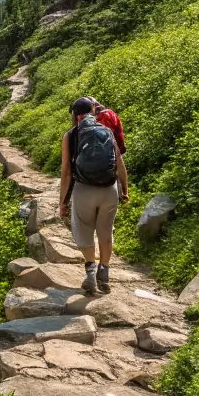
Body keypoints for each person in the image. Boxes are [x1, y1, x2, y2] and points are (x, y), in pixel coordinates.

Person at [59, 97, 129, 295]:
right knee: (106, 232)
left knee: (84, 231)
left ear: (74, 114)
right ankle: (104, 273)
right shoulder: (106, 131)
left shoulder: (71, 135)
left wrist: (63, 202)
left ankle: (90, 273)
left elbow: (66, 172)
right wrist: (124, 190)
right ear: (92, 111)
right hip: (109, 189)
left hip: (84, 189)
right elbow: (119, 163)